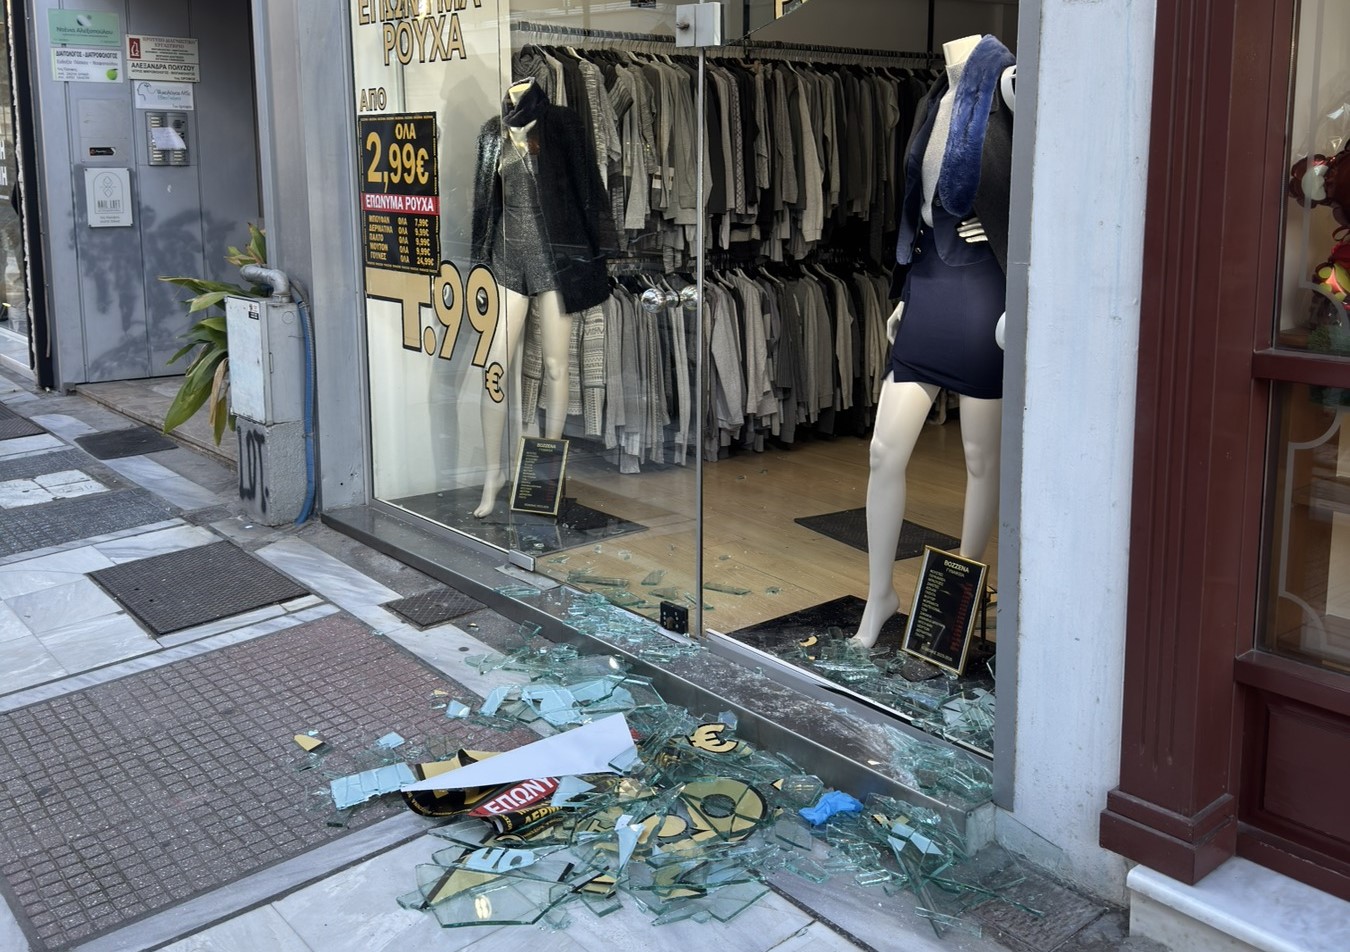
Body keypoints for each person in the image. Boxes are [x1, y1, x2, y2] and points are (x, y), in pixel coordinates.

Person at [853, 34, 1016, 648]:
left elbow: (1049, 184)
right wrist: (903, 296)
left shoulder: (1007, 85)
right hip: (926, 286)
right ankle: (881, 595)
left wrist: (1013, 260)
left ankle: (961, 603)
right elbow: (917, 204)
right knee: (883, 452)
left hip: (982, 293)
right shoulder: (933, 98)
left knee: (980, 459)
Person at [469, 78, 616, 517]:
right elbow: (484, 203)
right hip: (506, 260)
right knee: (494, 368)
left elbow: (588, 190)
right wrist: (477, 260)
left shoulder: (562, 124)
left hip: (555, 261)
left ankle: (549, 475)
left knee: (556, 366)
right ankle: (493, 474)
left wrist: (600, 254)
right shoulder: (492, 132)